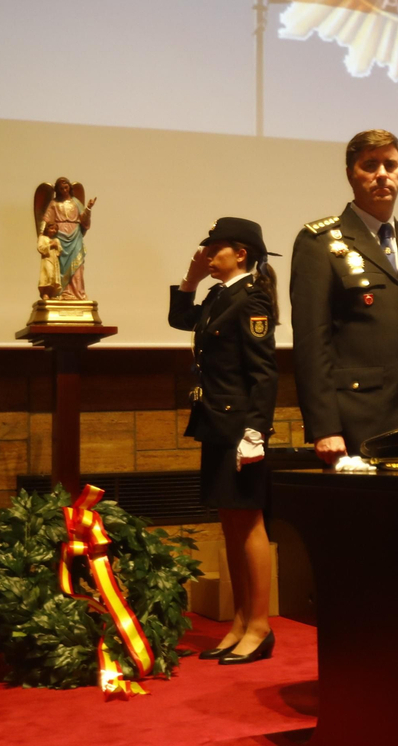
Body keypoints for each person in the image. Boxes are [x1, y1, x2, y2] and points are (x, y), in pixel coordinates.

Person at [290, 129, 398, 463]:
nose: (382, 174)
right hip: (361, 417)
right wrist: (325, 427)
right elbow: (312, 343)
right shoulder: (320, 243)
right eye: (370, 165)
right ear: (350, 175)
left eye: (391, 164)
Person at [169, 217, 279, 665]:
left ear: (242, 253)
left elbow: (264, 370)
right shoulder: (219, 295)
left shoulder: (252, 299)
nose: (208, 256)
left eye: (216, 249)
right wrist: (190, 281)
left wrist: (256, 431)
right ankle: (238, 621)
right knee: (230, 525)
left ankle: (260, 625)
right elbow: (181, 319)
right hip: (216, 421)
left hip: (239, 427)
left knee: (249, 522)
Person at [40, 177, 94, 300]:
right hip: (60, 235)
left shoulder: (75, 202)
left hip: (75, 234)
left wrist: (89, 208)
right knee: (60, 266)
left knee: (78, 266)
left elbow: (84, 219)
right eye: (61, 188)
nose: (64, 190)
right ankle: (61, 292)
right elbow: (46, 219)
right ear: (58, 190)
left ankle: (78, 293)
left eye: (66, 187)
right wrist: (41, 233)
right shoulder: (54, 203)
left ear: (69, 187)